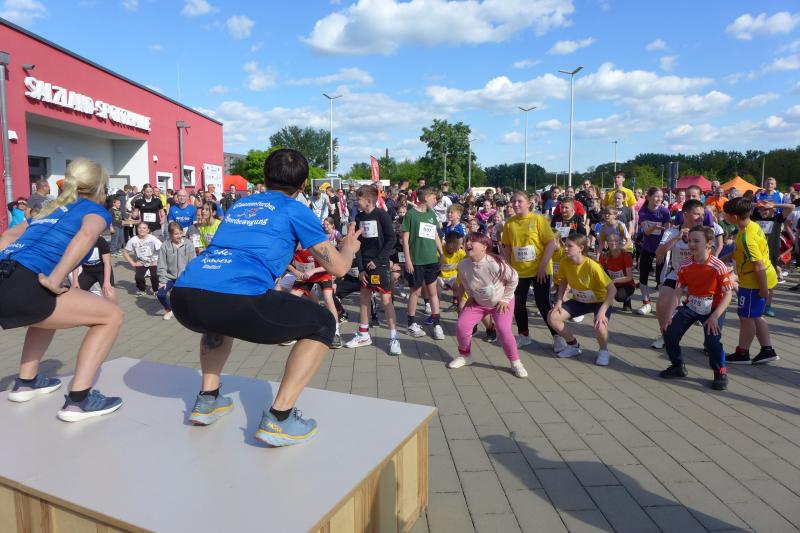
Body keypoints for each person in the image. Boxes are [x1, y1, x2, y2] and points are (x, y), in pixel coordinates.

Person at [170, 149, 363, 446]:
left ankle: (208, 399)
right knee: (324, 322)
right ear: (303, 185)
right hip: (237, 299)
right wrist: (348, 247)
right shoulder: (295, 209)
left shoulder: (241, 205)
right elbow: (337, 268)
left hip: (185, 296)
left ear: (265, 177)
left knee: (218, 311)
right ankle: (280, 418)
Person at [0, 159, 123, 421]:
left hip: (7, 275)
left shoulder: (50, 209)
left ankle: (26, 382)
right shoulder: (95, 211)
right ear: (99, 188)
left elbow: (8, 236)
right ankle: (79, 401)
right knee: (111, 316)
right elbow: (87, 234)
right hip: (28, 282)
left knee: (47, 314)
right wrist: (56, 277)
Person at [659, 226, 733, 390]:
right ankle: (678, 366)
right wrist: (669, 315)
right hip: (692, 305)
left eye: (696, 241)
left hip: (713, 309)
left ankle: (720, 372)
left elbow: (728, 294)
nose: (691, 244)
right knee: (669, 332)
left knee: (712, 342)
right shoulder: (685, 265)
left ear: (709, 244)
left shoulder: (718, 266)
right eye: (689, 241)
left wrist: (715, 316)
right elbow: (678, 291)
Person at [447, 233, 526, 377]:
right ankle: (465, 356)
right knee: (462, 326)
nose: (468, 244)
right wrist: (471, 296)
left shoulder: (495, 263)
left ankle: (516, 362)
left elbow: (514, 278)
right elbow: (465, 282)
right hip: (478, 303)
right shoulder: (463, 264)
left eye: (473, 241)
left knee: (504, 330)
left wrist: (505, 299)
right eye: (466, 241)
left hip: (501, 303)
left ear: (484, 247)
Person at [501, 191, 564, 351]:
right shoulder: (509, 223)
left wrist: (543, 266)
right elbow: (507, 247)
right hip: (519, 271)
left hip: (540, 270)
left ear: (529, 203)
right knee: (518, 304)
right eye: (513, 201)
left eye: (519, 201)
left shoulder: (538, 219)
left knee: (543, 303)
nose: (516, 204)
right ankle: (524, 336)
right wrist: (509, 267)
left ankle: (558, 337)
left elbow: (550, 243)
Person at [343, 185, 402, 355]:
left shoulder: (382, 215)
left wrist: (378, 261)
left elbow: (391, 240)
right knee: (364, 298)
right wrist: (361, 268)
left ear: (368, 201)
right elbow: (358, 244)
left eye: (358, 199)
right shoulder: (359, 217)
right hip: (365, 266)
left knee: (386, 300)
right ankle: (363, 334)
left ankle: (394, 338)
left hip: (380, 266)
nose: (356, 202)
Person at [723, 197, 780, 365]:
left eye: (726, 214)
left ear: (734, 217)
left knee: (746, 317)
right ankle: (767, 350)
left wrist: (763, 289)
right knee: (756, 316)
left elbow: (758, 265)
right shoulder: (751, 225)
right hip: (759, 278)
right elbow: (741, 252)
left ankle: (743, 353)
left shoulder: (747, 238)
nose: (724, 217)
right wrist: (724, 258)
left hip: (754, 282)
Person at [548, 233, 616, 365]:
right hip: (580, 300)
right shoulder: (565, 262)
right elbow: (563, 282)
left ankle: (603, 351)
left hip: (599, 301)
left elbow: (612, 289)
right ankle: (573, 346)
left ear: (581, 248)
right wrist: (558, 302)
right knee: (553, 317)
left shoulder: (592, 266)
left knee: (600, 325)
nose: (565, 248)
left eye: (569, 246)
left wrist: (602, 311)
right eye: (565, 245)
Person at [652, 200, 705, 349]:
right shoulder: (672, 232)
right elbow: (658, 253)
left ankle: (710, 342)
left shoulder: (705, 232)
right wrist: (677, 238)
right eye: (697, 214)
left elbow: (711, 254)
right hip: (677, 273)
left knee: (709, 309)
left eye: (702, 214)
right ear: (685, 215)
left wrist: (695, 243)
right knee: (662, 303)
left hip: (700, 276)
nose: (701, 218)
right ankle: (665, 335)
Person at [402, 186, 445, 340]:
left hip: (431, 260)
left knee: (433, 292)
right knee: (415, 292)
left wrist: (441, 253)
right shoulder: (411, 215)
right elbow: (405, 239)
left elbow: (435, 235)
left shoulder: (431, 214)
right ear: (426, 197)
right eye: (434, 197)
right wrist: (408, 260)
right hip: (416, 261)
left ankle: (437, 324)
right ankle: (411, 324)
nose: (436, 200)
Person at [288, 245, 343, 348]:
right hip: (305, 276)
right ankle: (293, 330)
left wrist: (313, 270)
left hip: (323, 275)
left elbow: (329, 265)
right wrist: (295, 272)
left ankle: (336, 333)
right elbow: (286, 263)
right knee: (291, 298)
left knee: (328, 298)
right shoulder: (290, 248)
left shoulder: (315, 247)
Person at [752, 199, 795, 317]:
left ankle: (768, 306)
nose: (763, 211)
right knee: (755, 280)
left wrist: (773, 205)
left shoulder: (777, 219)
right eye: (761, 209)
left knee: (770, 282)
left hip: (772, 255)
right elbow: (745, 205)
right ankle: (756, 303)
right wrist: (758, 204)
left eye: (766, 209)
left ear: (773, 210)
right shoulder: (755, 217)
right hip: (756, 254)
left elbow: (791, 206)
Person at [635, 187, 671, 314]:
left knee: (660, 279)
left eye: (661, 197)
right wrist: (655, 227)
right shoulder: (643, 212)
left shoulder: (665, 212)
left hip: (661, 249)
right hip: (647, 247)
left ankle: (662, 304)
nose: (659, 199)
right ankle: (646, 303)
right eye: (656, 196)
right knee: (643, 277)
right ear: (648, 197)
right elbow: (646, 232)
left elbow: (668, 232)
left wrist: (662, 249)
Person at [156, 221, 196, 321]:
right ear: (170, 234)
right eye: (176, 234)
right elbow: (161, 264)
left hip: (184, 277)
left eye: (180, 233)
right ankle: (169, 310)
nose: (179, 236)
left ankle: (187, 312)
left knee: (186, 296)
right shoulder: (165, 245)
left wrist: (190, 278)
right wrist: (162, 280)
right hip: (169, 277)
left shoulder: (188, 244)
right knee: (160, 294)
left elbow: (192, 263)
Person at [123, 222, 161, 295]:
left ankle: (156, 290)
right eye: (140, 228)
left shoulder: (153, 239)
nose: (142, 230)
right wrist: (133, 263)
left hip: (153, 261)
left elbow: (163, 249)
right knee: (138, 277)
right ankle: (142, 289)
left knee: (154, 276)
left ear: (148, 230)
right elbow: (125, 252)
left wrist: (157, 261)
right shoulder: (133, 240)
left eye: (144, 228)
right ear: (137, 229)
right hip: (141, 261)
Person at [599, 233, 635, 312]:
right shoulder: (604, 257)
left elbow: (629, 277)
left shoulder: (626, 256)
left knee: (619, 297)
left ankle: (627, 300)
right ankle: (606, 303)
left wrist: (614, 281)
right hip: (612, 283)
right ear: (607, 243)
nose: (613, 243)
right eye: (610, 241)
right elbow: (599, 271)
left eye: (616, 241)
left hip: (627, 284)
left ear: (620, 243)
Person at [74, 236, 116, 302]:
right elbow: (76, 264)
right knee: (76, 292)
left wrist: (107, 282)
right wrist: (75, 281)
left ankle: (113, 308)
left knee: (109, 294)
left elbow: (107, 263)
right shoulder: (78, 243)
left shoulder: (101, 240)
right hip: (87, 272)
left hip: (102, 271)